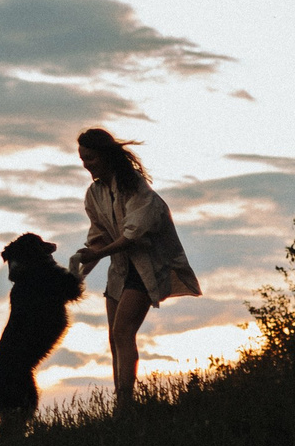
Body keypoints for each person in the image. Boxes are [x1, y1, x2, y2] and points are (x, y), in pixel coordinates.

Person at [68, 127, 200, 404]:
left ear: (106, 156)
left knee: (123, 332)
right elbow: (98, 239)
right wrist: (81, 266)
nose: (85, 164)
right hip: (120, 270)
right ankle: (122, 401)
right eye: (82, 159)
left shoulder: (135, 186)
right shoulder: (94, 194)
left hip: (146, 267)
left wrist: (98, 254)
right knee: (114, 337)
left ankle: (125, 405)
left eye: (90, 158)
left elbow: (131, 236)